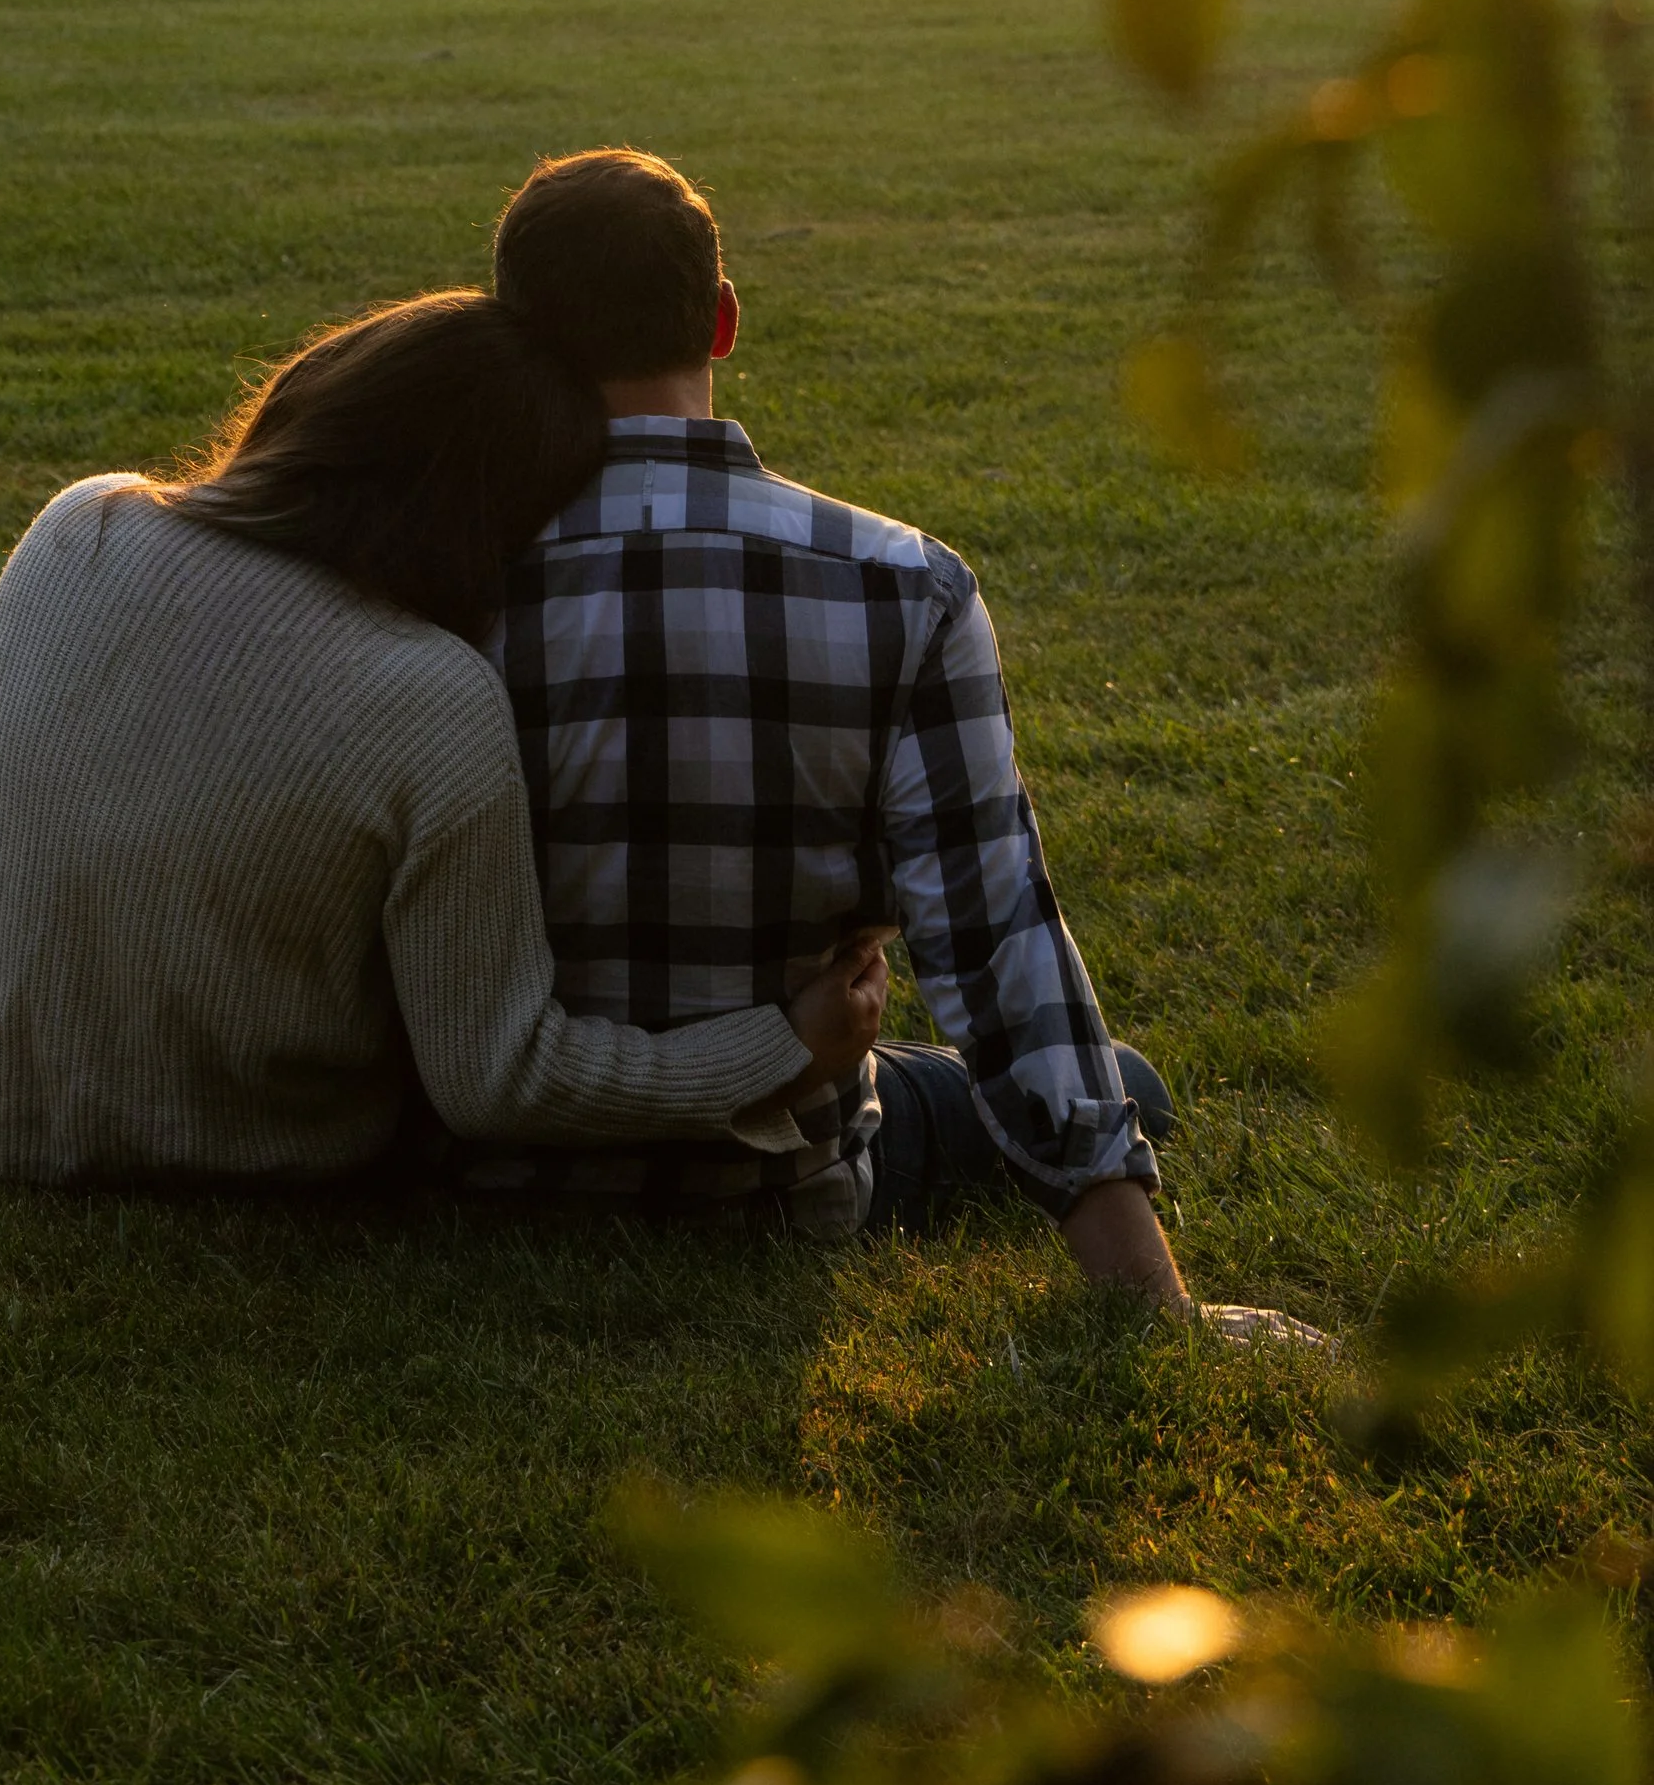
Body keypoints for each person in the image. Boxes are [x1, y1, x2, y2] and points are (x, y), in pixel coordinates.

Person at [472, 146, 1295, 1334]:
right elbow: (995, 937)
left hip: (494, 1164)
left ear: (515, 335)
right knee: (1131, 1085)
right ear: (722, 320)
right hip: (778, 1179)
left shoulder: (447, 570)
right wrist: (1155, 1308)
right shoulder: (897, 583)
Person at [0, 291, 883, 1191]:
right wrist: (787, 1045)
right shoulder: (427, 694)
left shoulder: (76, 527)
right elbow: (502, 1075)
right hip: (240, 1165)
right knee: (929, 1093)